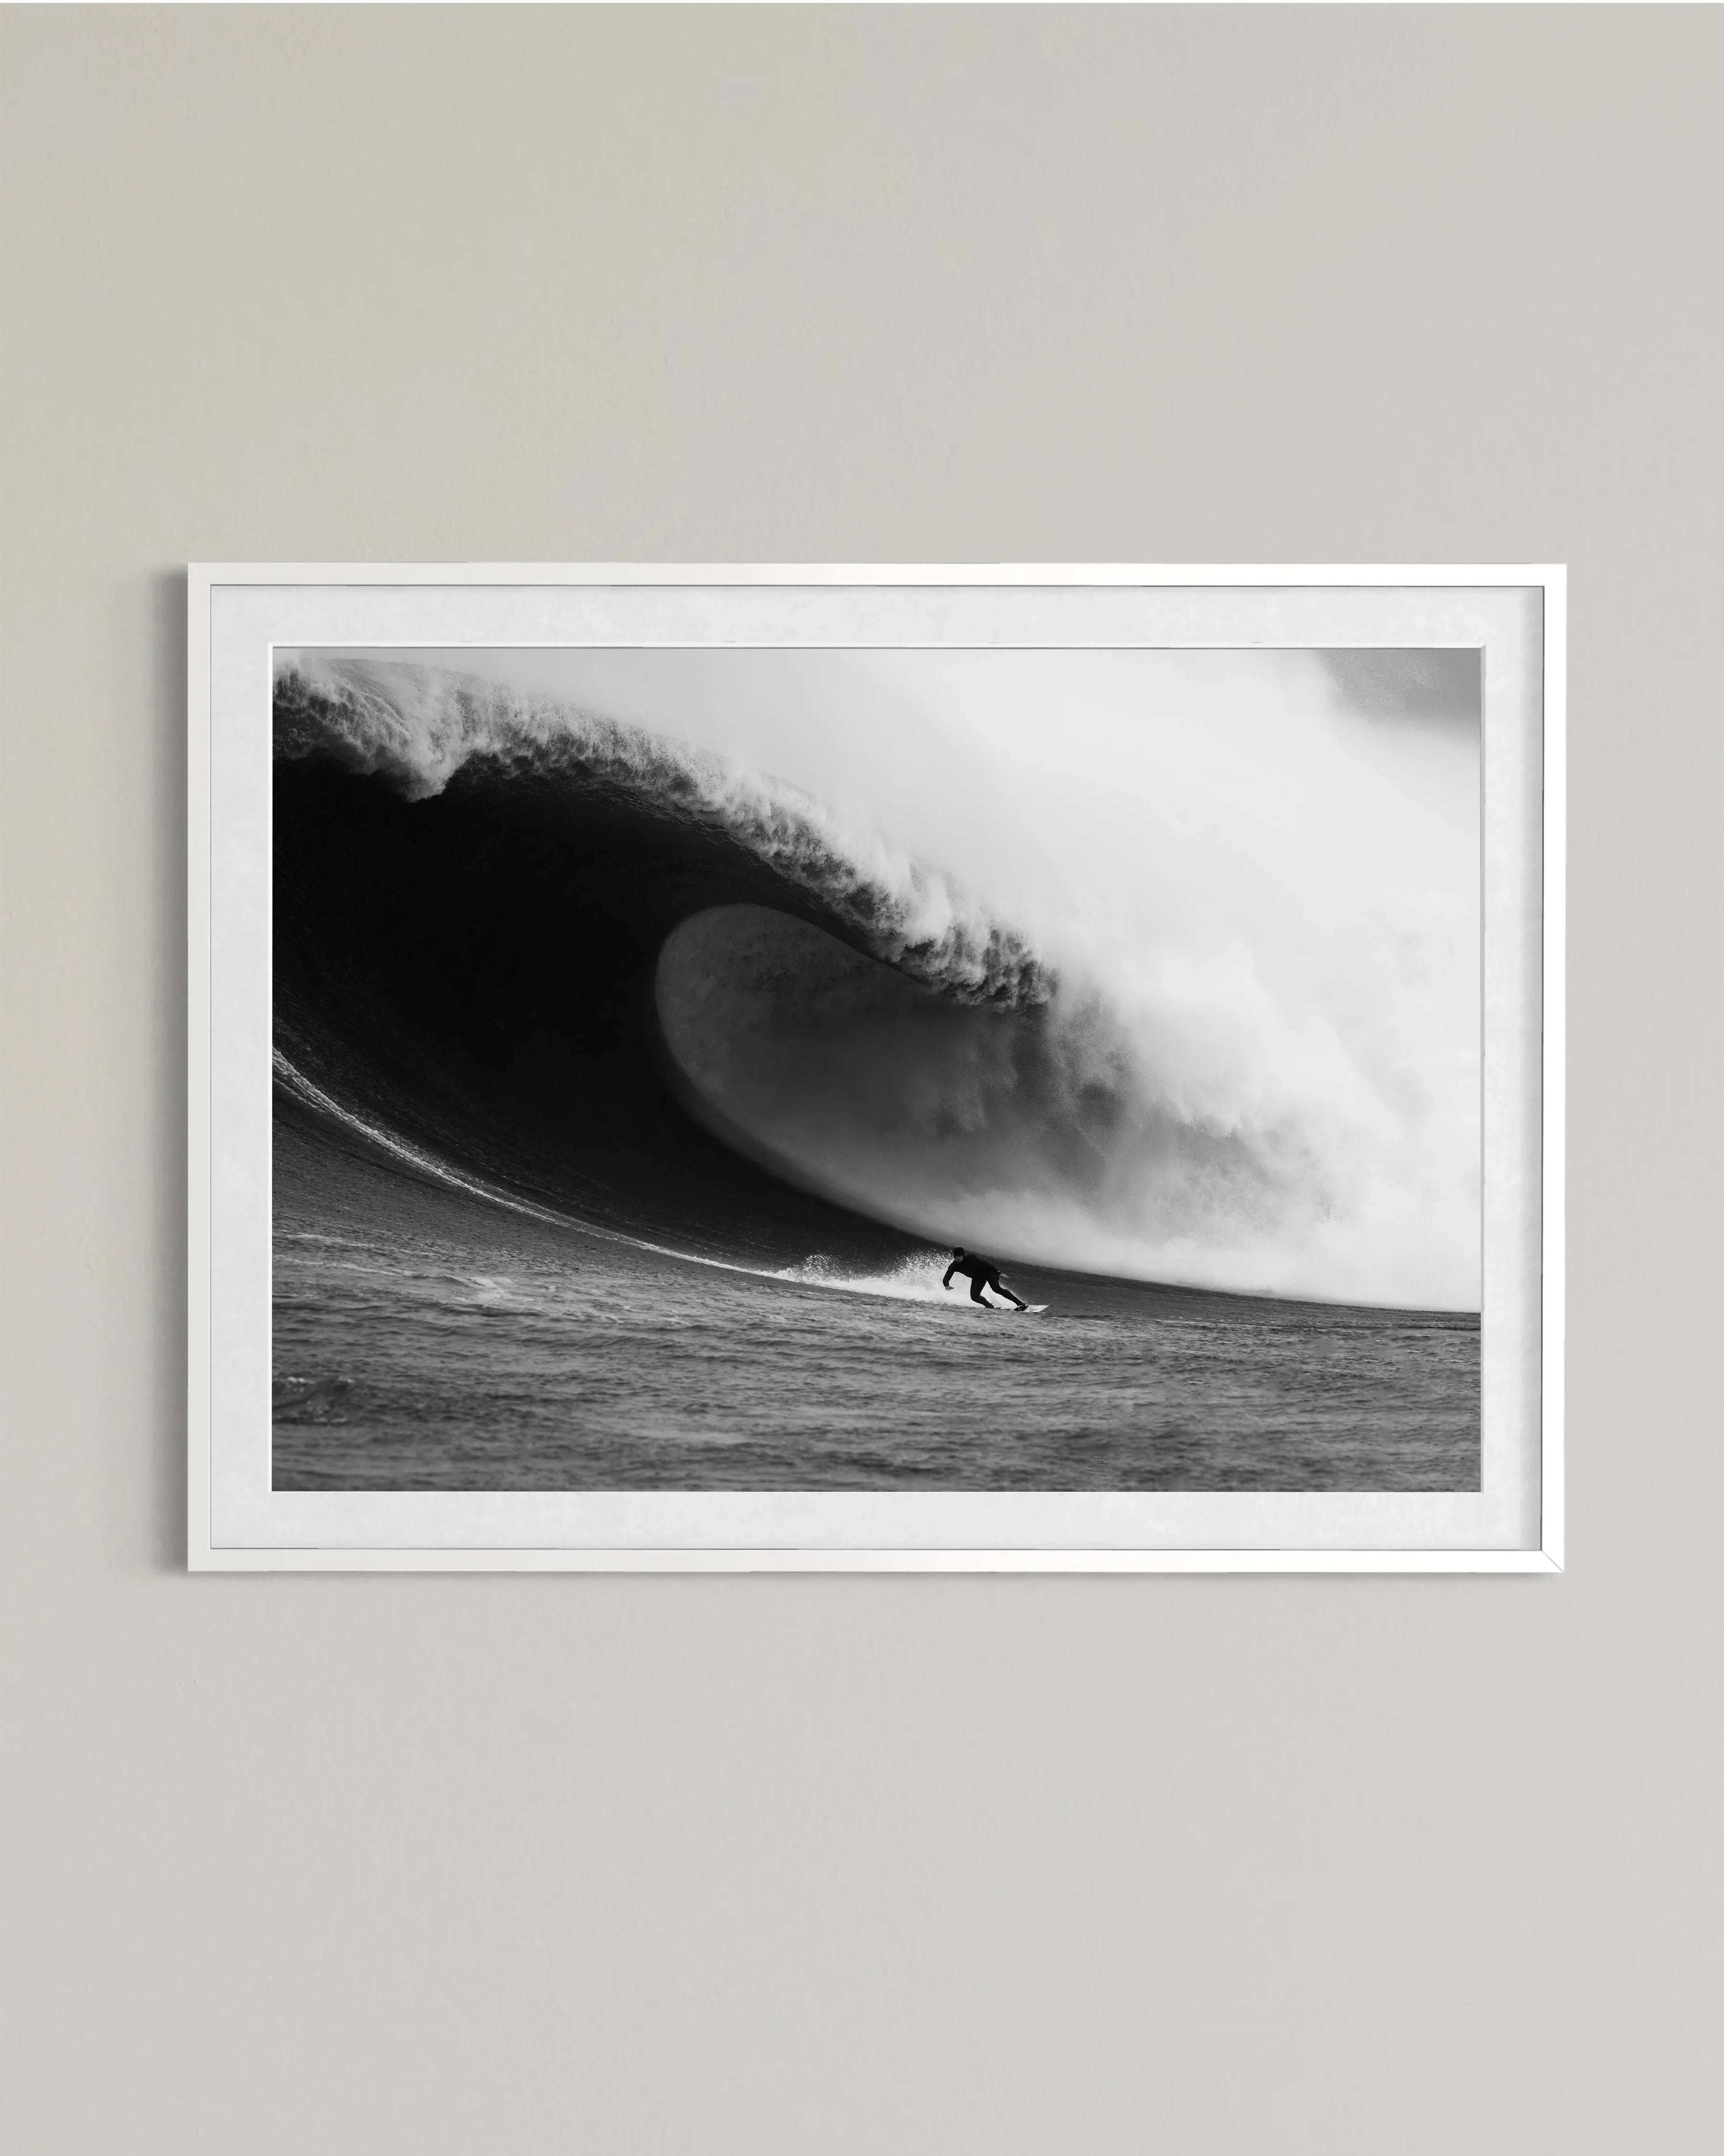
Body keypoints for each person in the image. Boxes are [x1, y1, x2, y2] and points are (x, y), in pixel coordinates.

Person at [942, 1247, 1028, 1311]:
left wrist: (998, 1273)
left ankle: (1020, 1303)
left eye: (959, 1256)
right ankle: (990, 1306)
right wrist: (947, 1285)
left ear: (964, 1255)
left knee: (997, 1289)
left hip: (988, 1273)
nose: (957, 1258)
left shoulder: (971, 1258)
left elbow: (986, 1264)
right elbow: (947, 1277)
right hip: (978, 1278)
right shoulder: (954, 1266)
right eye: (956, 1257)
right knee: (974, 1297)